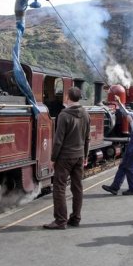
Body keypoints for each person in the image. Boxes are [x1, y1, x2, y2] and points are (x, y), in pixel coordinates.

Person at [43, 87, 91, 230]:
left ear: (68, 98)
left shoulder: (64, 115)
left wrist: (52, 158)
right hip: (79, 156)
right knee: (77, 188)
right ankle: (76, 218)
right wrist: (86, 156)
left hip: (64, 158)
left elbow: (58, 140)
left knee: (59, 188)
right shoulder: (86, 114)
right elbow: (87, 138)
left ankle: (60, 221)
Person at [101, 101, 133, 196]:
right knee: (123, 166)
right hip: (132, 144)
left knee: (130, 169)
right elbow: (126, 113)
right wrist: (119, 102)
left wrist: (131, 122)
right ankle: (114, 187)